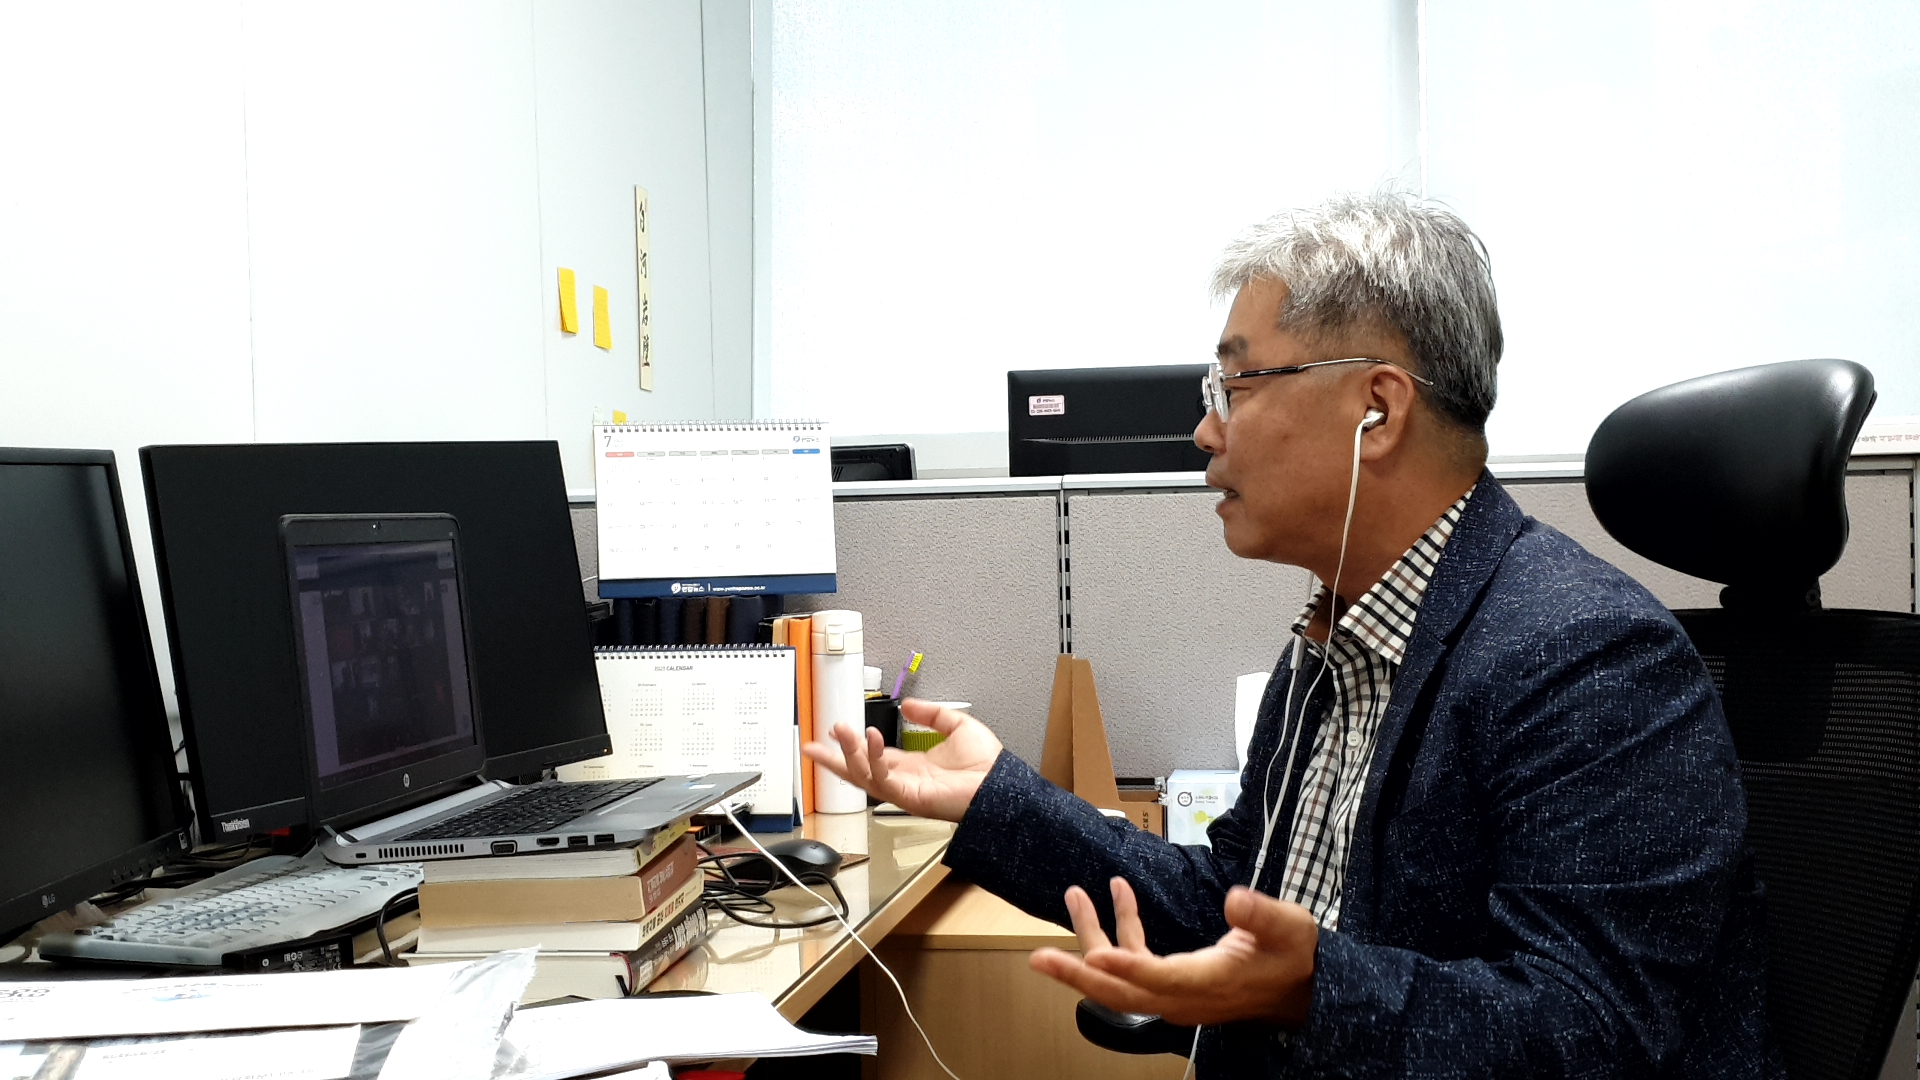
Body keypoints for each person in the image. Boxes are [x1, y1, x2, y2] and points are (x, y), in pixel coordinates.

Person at [803, 191, 1776, 1077]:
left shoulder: (1587, 656)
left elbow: (1593, 1030)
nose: (1205, 432)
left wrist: (1314, 991)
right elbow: (1232, 905)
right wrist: (993, 800)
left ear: (1376, 410)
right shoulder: (1336, 638)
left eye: (1236, 386)